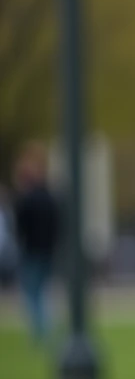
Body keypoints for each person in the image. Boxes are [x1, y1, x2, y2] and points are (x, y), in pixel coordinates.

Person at [12, 144, 60, 344]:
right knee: (42, 291)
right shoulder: (50, 197)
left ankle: (41, 332)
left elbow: (20, 227)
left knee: (32, 293)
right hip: (48, 250)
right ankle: (46, 328)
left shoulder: (28, 200)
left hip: (32, 250)